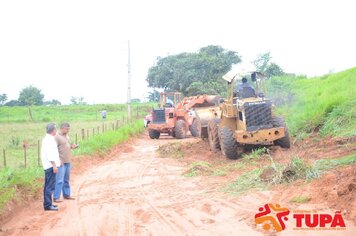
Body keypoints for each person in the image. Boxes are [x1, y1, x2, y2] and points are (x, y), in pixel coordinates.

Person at [53, 122, 78, 202]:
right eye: (67, 129)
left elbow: (66, 147)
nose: (68, 130)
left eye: (69, 129)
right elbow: (54, 150)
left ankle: (66, 195)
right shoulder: (57, 137)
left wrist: (72, 147)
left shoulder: (67, 137)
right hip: (61, 162)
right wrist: (58, 160)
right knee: (59, 180)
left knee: (66, 179)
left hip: (68, 161)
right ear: (62, 128)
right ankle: (56, 197)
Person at [41, 123, 61, 211]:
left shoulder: (48, 139)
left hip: (50, 165)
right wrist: (54, 165)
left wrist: (58, 161)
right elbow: (50, 155)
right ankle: (48, 205)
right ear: (53, 130)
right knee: (50, 186)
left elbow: (53, 153)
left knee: (48, 185)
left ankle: (48, 204)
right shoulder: (48, 140)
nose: (56, 131)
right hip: (50, 166)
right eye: (55, 129)